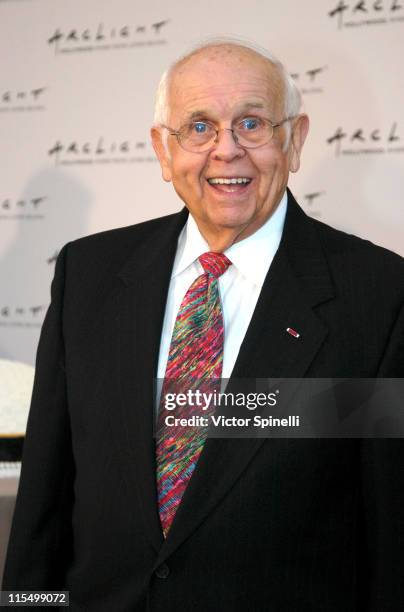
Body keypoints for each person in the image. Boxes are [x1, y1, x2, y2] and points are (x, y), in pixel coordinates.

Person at [3, 39, 403, 611]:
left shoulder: (379, 296)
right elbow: (42, 504)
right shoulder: (88, 275)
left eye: (251, 123)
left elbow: (391, 537)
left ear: (294, 140)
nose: (226, 150)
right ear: (163, 151)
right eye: (198, 126)